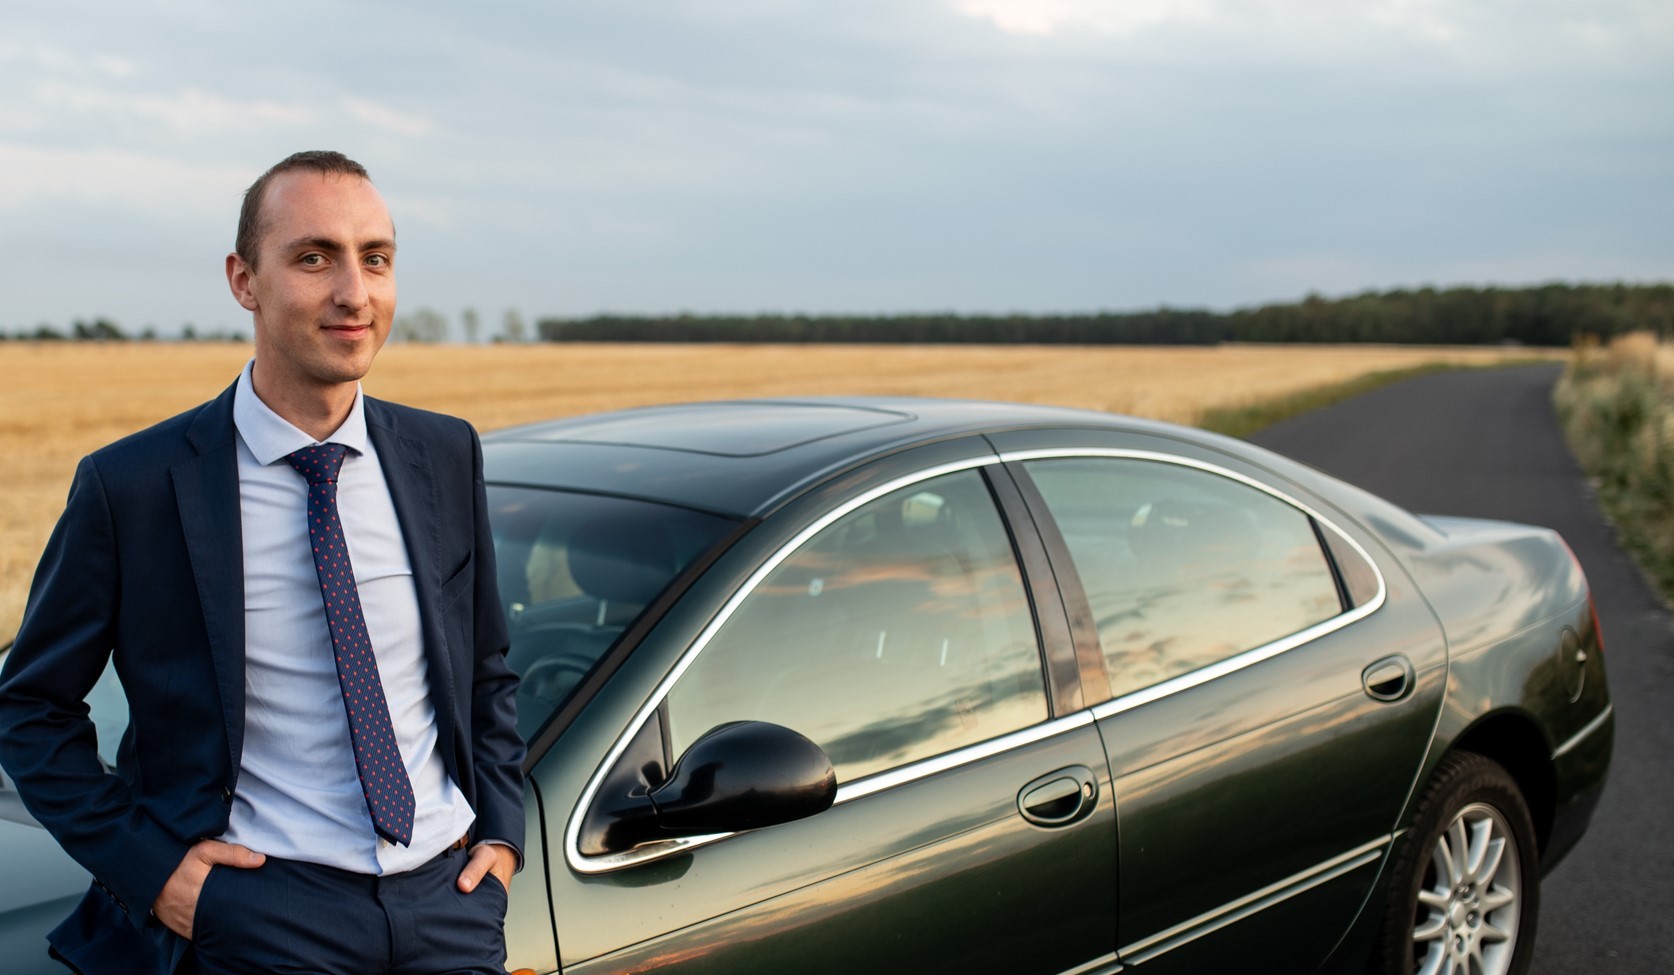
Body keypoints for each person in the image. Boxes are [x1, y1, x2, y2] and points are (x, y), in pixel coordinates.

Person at [0, 150, 524, 975]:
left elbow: (485, 667)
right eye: (314, 257)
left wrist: (500, 830)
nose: (354, 292)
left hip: (447, 904)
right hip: (260, 918)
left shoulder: (443, 452)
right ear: (245, 280)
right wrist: (152, 871)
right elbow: (30, 706)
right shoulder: (132, 486)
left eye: (375, 258)